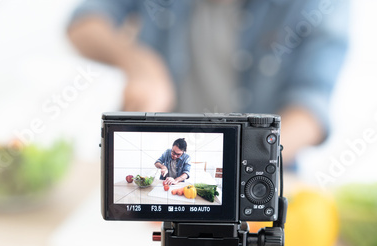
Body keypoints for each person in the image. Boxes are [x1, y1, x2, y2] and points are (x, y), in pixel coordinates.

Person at [67, 0, 349, 165]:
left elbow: (311, 109)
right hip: (152, 166)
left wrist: (239, 168)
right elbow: (84, 22)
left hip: (256, 175)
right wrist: (138, 63)